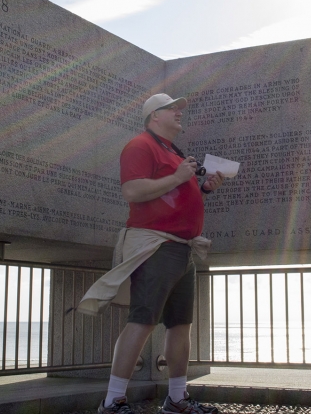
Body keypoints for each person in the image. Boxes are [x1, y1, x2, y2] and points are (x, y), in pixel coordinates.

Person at [79, 93, 225, 414]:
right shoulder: (140, 145)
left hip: (181, 249)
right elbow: (132, 191)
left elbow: (174, 194)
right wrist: (177, 177)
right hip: (156, 246)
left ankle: (176, 398)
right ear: (153, 116)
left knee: (180, 324)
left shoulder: (172, 151)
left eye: (179, 109)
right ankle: (113, 401)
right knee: (142, 320)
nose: (178, 112)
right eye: (171, 108)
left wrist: (204, 188)